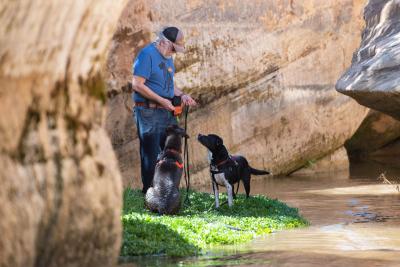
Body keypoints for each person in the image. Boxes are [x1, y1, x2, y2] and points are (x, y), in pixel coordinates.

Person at [131, 26, 196, 194]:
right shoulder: (147, 55)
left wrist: (182, 95)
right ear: (164, 42)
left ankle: (167, 190)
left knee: (171, 151)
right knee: (151, 155)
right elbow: (137, 84)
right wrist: (162, 100)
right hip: (148, 112)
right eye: (173, 48)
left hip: (166, 111)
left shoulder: (167, 56)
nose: (174, 53)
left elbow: (168, 84)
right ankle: (149, 193)